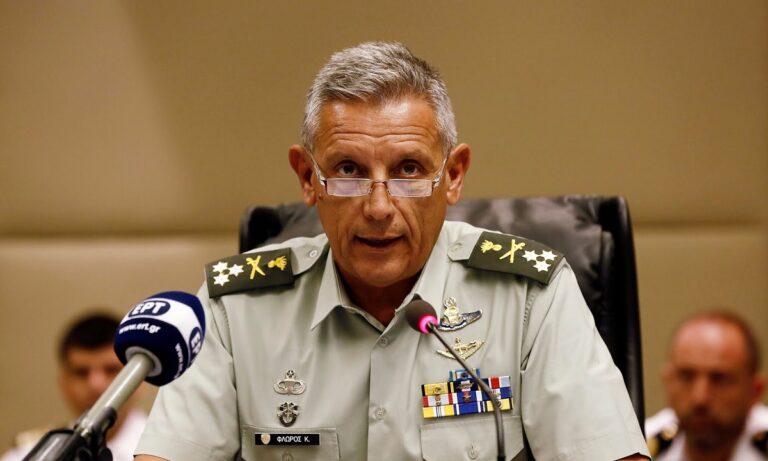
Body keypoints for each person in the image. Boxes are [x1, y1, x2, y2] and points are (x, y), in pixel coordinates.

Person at [135, 41, 649, 460]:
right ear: (308, 178)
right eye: (349, 171)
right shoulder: (232, 309)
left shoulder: (530, 298)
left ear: (453, 175)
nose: (379, 207)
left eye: (408, 170)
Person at [1, 313, 147, 461]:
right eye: (81, 372)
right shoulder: (27, 454)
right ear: (63, 382)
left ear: (140, 380)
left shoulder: (160, 450)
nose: (95, 384)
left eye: (111, 370)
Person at [646, 311, 768, 461]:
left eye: (719, 379)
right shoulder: (639, 448)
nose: (700, 398)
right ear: (668, 381)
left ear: (755, 391)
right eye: (686, 376)